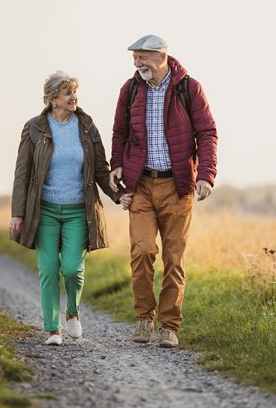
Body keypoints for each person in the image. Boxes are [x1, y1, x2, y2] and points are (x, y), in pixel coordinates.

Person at [109, 35, 218, 348]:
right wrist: (117, 164)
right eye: (134, 59)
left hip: (178, 186)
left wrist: (206, 175)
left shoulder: (189, 88)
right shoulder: (130, 90)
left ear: (161, 57)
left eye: (141, 58)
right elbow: (119, 133)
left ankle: (169, 326)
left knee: (174, 259)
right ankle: (144, 318)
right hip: (141, 184)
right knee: (142, 250)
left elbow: (208, 133)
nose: (136, 64)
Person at [9, 71, 132, 346]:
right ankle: (54, 329)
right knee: (49, 269)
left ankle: (73, 312)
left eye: (75, 92)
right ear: (53, 99)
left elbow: (101, 169)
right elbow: (22, 174)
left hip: (79, 210)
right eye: (68, 93)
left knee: (73, 270)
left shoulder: (87, 127)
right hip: (45, 212)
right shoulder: (34, 128)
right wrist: (17, 214)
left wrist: (119, 194)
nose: (74, 97)